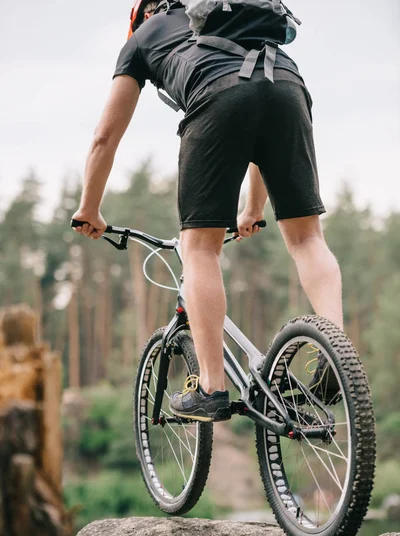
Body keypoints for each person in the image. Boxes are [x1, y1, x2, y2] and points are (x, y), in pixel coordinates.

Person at [72, 0, 343, 423]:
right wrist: (252, 209)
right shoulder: (230, 19)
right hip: (289, 86)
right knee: (308, 239)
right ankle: (337, 354)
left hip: (218, 98)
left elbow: (105, 136)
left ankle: (212, 389)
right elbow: (257, 109)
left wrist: (89, 209)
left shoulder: (143, 37)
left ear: (143, 15)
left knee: (198, 250)